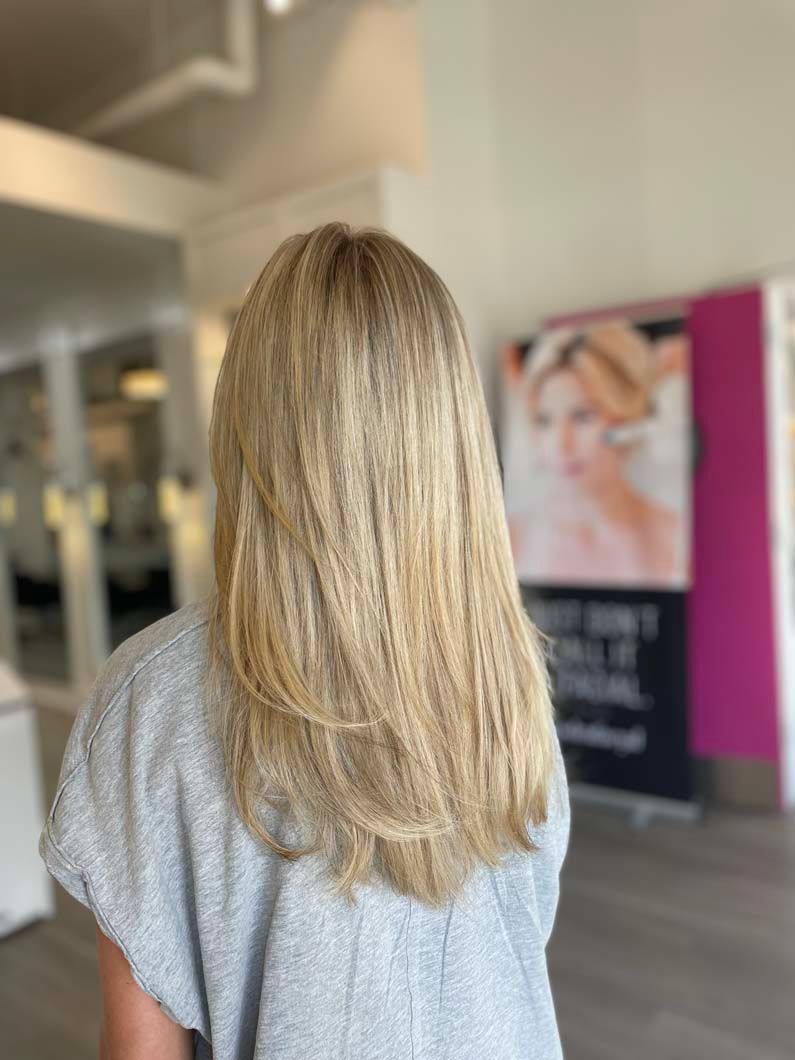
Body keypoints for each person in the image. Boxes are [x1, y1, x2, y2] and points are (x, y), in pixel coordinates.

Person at [39, 223, 570, 1060]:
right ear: (452, 435)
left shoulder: (150, 698)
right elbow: (518, 946)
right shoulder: (508, 669)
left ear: (246, 421)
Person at [506, 321, 684, 587]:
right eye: (544, 420)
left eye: (582, 417)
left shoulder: (675, 535)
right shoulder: (510, 540)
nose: (561, 445)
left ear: (628, 419)